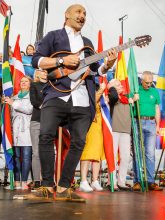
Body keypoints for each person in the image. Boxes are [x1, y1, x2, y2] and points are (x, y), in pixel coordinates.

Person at [32, 4, 117, 200]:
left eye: (85, 13)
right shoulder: (53, 36)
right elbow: (36, 60)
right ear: (67, 15)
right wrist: (61, 62)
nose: (82, 16)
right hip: (56, 94)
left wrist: (108, 64)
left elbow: (96, 70)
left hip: (82, 100)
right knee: (45, 136)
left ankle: (64, 186)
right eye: (78, 12)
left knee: (79, 142)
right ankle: (47, 185)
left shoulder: (87, 43)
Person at [133, 71, 162, 191]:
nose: (149, 85)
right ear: (141, 80)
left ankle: (150, 182)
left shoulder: (154, 92)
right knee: (137, 152)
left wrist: (158, 125)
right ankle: (137, 181)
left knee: (150, 154)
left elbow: (157, 109)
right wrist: (133, 99)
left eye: (151, 82)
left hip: (151, 123)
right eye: (147, 82)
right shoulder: (136, 90)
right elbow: (128, 103)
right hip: (137, 121)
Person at [5, 76, 33, 190]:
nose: (23, 83)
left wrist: (13, 103)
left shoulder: (32, 96)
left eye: (26, 81)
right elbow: (11, 114)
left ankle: (24, 182)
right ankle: (16, 182)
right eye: (22, 81)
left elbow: (29, 109)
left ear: (30, 84)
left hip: (26, 129)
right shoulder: (14, 97)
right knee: (16, 157)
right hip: (15, 131)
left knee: (26, 157)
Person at [79, 81, 106, 192]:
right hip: (89, 127)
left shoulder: (102, 97)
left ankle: (95, 180)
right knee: (87, 154)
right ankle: (83, 181)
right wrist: (101, 90)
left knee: (97, 155)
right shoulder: (86, 95)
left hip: (99, 128)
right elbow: (92, 101)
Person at [107, 79, 133, 191]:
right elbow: (113, 95)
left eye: (120, 84)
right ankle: (111, 181)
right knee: (112, 156)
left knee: (126, 156)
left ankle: (121, 181)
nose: (121, 85)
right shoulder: (112, 97)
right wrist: (112, 87)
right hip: (114, 130)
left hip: (126, 131)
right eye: (117, 85)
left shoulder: (127, 99)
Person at [30, 70, 47, 189]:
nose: (45, 73)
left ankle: (48, 179)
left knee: (48, 151)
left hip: (49, 122)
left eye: (46, 71)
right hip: (36, 120)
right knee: (36, 152)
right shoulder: (34, 85)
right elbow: (34, 101)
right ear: (37, 74)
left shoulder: (52, 85)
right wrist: (46, 107)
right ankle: (37, 180)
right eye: (43, 71)